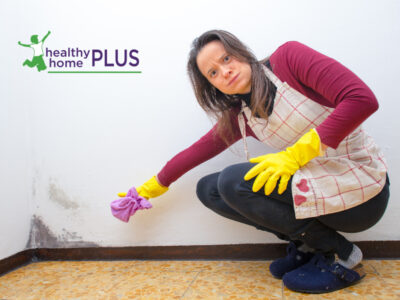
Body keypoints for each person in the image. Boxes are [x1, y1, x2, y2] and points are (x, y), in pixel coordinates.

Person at [117, 30, 389, 294]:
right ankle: (311, 246)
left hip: (361, 188)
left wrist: (296, 155)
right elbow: (195, 152)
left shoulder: (289, 60)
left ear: (240, 51)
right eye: (213, 73)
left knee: (233, 181)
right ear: (211, 85)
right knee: (209, 189)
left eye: (226, 59)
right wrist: (149, 188)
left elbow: (362, 99)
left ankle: (342, 256)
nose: (225, 71)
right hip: (318, 186)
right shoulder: (241, 116)